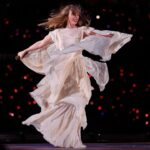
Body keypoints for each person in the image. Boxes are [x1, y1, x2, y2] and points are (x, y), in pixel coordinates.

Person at [17, 4, 132, 148]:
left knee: (76, 101)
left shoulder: (81, 31)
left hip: (76, 69)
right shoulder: (57, 33)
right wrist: (25, 50)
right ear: (67, 16)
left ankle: (73, 138)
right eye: (73, 14)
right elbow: (41, 43)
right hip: (61, 69)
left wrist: (108, 36)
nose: (76, 17)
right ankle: (57, 131)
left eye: (78, 15)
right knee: (60, 101)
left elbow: (94, 32)